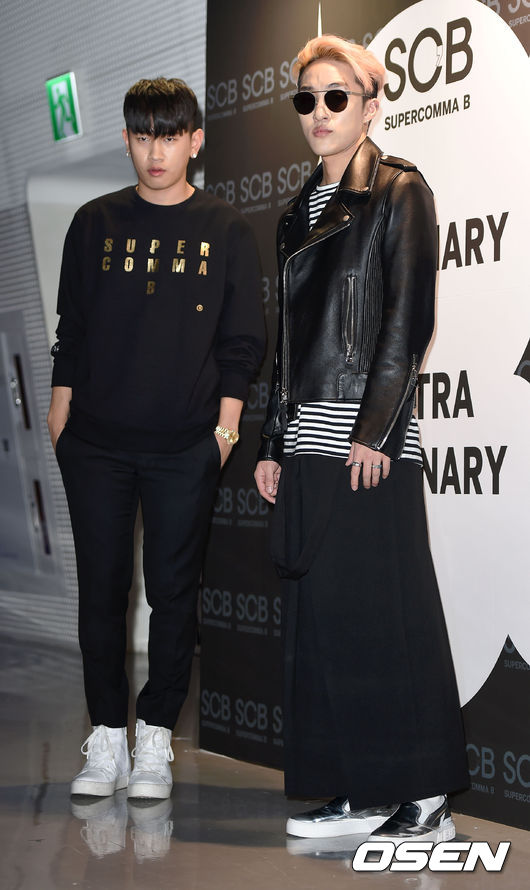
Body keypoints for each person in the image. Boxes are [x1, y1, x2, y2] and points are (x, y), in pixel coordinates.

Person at [254, 36, 468, 844]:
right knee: (327, 625)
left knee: (388, 616)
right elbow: (287, 346)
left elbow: (407, 320)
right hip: (307, 446)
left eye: (336, 97)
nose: (319, 112)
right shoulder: (294, 214)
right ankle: (359, 787)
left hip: (367, 442)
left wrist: (376, 429)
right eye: (306, 99)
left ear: (371, 107)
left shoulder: (398, 190)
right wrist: (272, 443)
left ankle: (426, 794)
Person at [49, 77, 265, 800]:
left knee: (173, 595)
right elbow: (72, 330)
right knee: (102, 592)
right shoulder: (94, 223)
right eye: (143, 137)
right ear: (126, 140)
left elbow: (242, 344)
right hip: (95, 444)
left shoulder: (226, 229)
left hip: (184, 447)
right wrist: (60, 415)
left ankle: (154, 738)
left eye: (169, 137)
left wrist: (224, 433)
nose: (156, 152)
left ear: (195, 141)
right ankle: (107, 736)